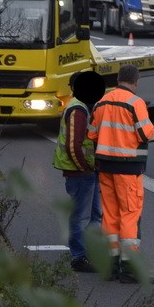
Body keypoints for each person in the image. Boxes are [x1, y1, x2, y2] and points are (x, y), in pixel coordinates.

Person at [88, 64, 154, 284]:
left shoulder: (101, 102)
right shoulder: (135, 103)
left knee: (110, 215)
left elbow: (92, 133)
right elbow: (145, 134)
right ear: (136, 82)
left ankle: (110, 266)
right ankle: (129, 268)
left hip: (105, 167)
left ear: (118, 79)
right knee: (130, 215)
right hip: (128, 169)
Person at [53, 70, 106, 273]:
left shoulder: (83, 107)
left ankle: (88, 252)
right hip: (80, 173)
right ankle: (78, 257)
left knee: (95, 214)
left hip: (86, 172)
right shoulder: (78, 110)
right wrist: (85, 167)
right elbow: (73, 146)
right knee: (80, 216)